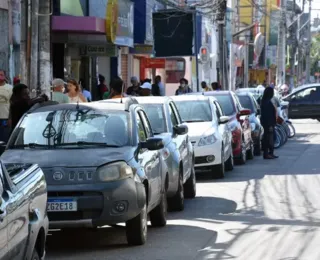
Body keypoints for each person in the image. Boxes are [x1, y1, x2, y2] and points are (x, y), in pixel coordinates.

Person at [260, 87, 278, 159]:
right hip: (268, 124)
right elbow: (268, 115)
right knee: (268, 139)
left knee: (270, 138)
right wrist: (270, 125)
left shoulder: (266, 101)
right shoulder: (266, 102)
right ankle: (267, 154)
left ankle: (270, 153)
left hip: (269, 123)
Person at [0, 69, 12, 142]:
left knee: (4, 140)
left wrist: (10, 118)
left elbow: (12, 103)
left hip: (5, 118)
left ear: (5, 76)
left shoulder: (10, 88)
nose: (0, 76)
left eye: (1, 75)